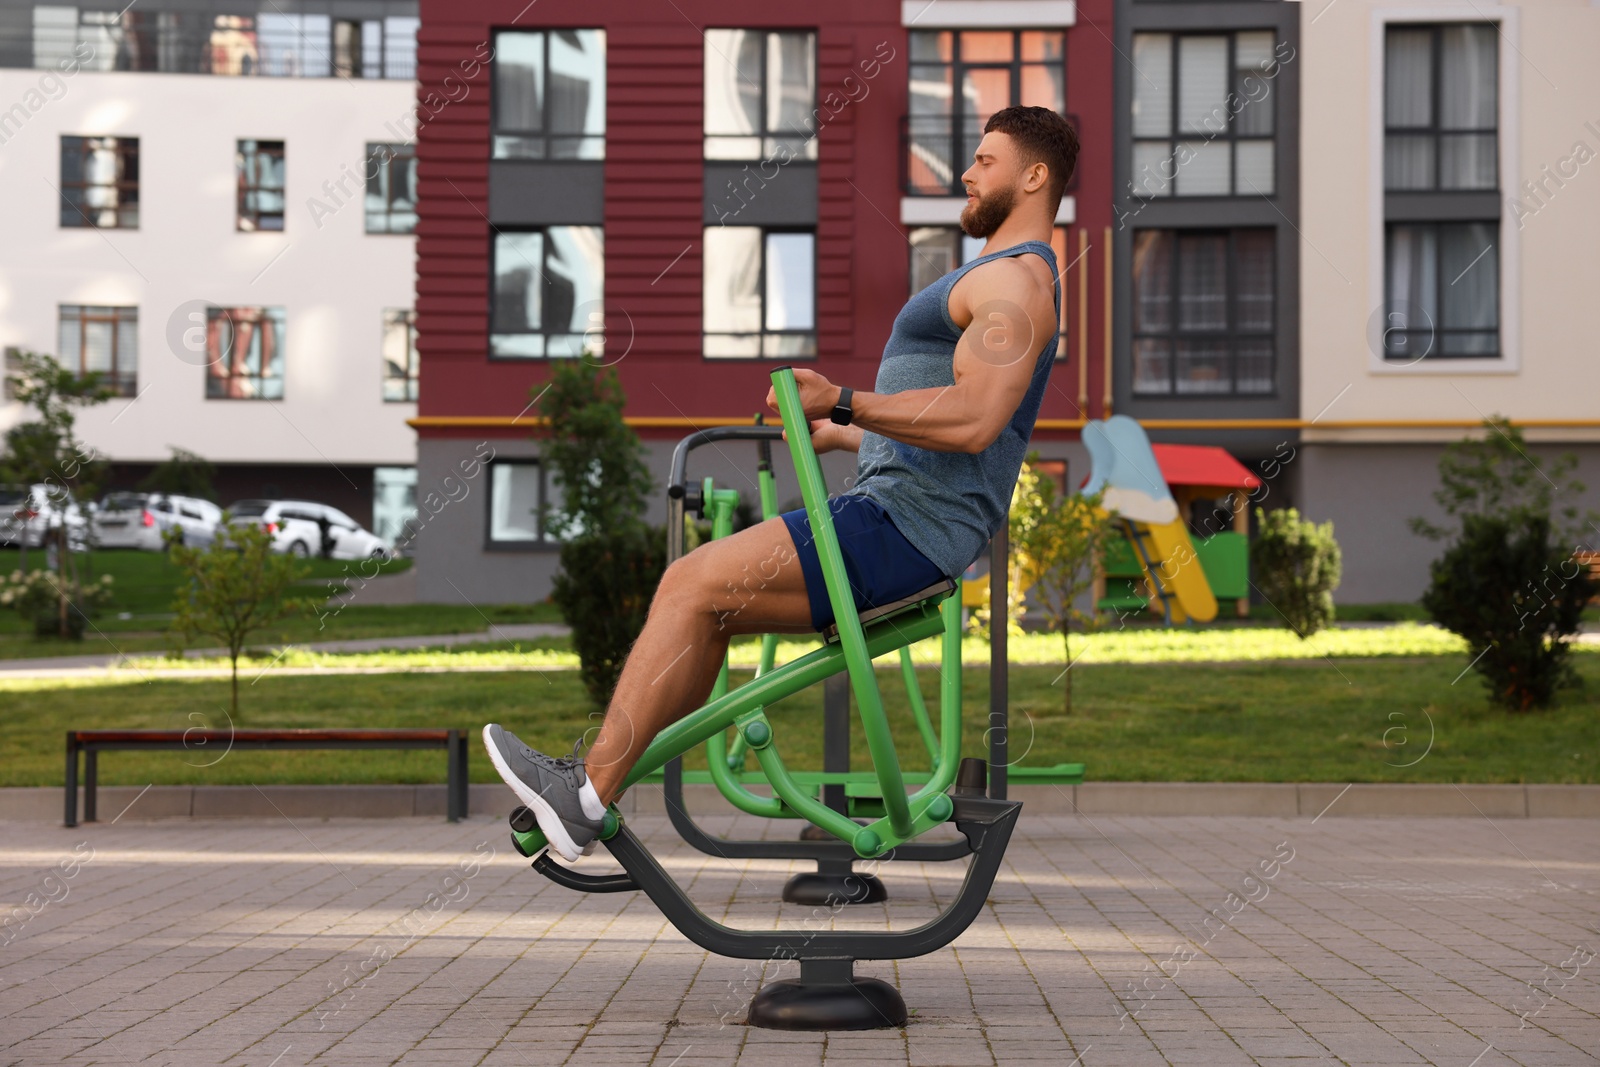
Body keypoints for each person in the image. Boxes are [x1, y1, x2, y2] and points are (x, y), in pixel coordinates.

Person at [485, 106, 1080, 861]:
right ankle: (593, 792)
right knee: (705, 611)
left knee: (688, 584)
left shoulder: (1017, 282)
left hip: (903, 526)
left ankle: (584, 795)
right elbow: (953, 429)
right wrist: (850, 432)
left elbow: (974, 419)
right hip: (896, 513)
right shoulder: (997, 276)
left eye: (986, 160)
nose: (966, 172)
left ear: (1035, 177)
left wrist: (842, 399)